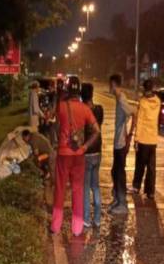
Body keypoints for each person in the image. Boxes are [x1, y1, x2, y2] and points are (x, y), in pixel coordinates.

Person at [51, 76, 100, 236]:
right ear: (78, 91)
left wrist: (60, 95)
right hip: (79, 154)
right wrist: (85, 146)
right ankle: (77, 228)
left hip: (63, 154)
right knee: (78, 190)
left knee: (59, 189)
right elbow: (96, 131)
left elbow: (53, 118)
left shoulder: (61, 106)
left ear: (67, 90)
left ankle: (56, 226)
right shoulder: (85, 109)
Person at [108, 74, 135, 215]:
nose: (109, 88)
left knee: (119, 173)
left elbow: (134, 112)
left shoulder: (122, 98)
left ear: (113, 84)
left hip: (121, 143)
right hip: (117, 142)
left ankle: (122, 204)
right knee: (115, 171)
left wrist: (130, 136)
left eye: (109, 85)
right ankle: (117, 199)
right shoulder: (118, 99)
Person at [130, 79, 161, 200]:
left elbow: (140, 121)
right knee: (151, 167)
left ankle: (136, 186)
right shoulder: (158, 101)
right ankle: (150, 191)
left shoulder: (142, 102)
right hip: (153, 140)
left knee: (140, 165)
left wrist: (136, 139)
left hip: (143, 139)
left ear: (144, 89)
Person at [81, 83, 103, 228]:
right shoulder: (100, 109)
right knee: (96, 186)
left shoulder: (82, 110)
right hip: (98, 151)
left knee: (86, 187)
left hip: (87, 151)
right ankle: (97, 218)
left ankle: (86, 219)